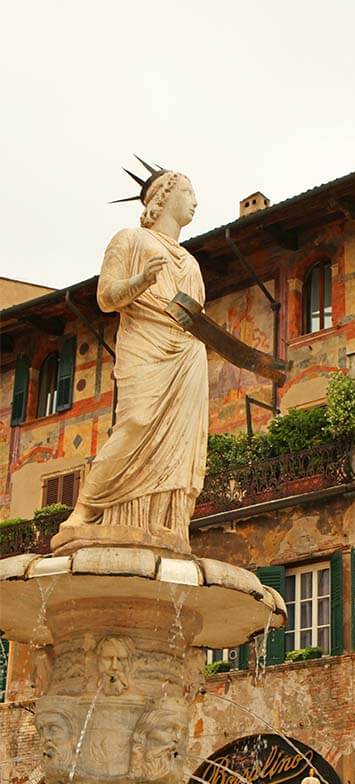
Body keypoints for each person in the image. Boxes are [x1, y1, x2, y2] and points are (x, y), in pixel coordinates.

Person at [57, 167, 208, 554]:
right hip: (145, 342)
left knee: (185, 441)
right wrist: (141, 281)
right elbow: (106, 297)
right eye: (189, 191)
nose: (195, 201)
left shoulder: (190, 263)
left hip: (186, 354)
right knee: (136, 421)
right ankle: (86, 511)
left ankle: (165, 522)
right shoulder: (130, 239)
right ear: (164, 197)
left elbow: (195, 315)